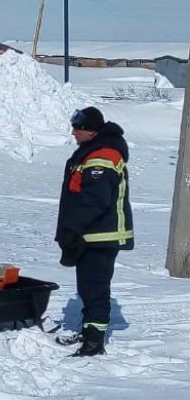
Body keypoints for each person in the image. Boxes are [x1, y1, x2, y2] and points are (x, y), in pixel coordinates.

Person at [56, 106, 134, 357]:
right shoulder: (93, 151)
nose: (73, 132)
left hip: (101, 235)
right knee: (88, 288)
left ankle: (94, 342)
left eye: (78, 128)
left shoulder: (104, 154)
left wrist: (72, 228)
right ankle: (88, 333)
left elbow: (94, 200)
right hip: (90, 234)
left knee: (96, 289)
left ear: (91, 130)